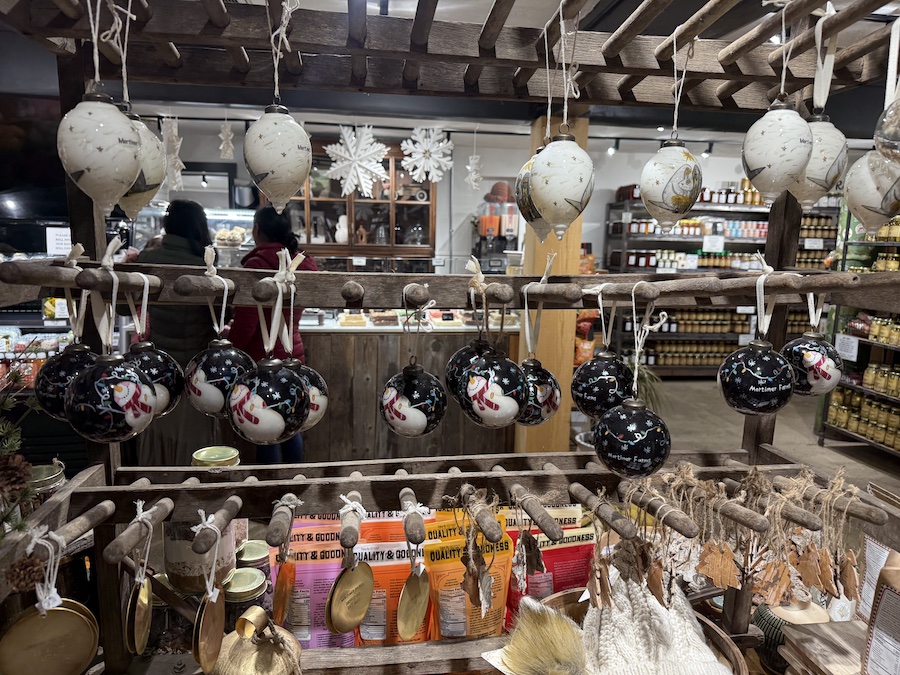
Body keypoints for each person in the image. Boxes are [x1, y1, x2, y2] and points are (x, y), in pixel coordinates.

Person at [230, 205, 318, 463]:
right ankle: (293, 484)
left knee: (266, 427)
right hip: (292, 353)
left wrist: (228, 345)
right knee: (291, 421)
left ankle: (271, 492)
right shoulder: (299, 262)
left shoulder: (256, 265)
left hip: (263, 359)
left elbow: (246, 326)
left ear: (257, 230)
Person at [135, 200, 218, 465]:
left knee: (160, 428)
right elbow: (223, 316)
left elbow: (126, 310)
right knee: (198, 434)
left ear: (167, 224)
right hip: (200, 369)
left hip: (160, 367)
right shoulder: (205, 263)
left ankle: (158, 485)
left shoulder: (147, 259)